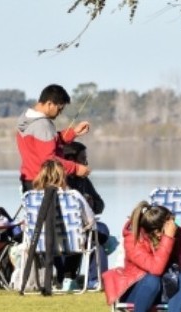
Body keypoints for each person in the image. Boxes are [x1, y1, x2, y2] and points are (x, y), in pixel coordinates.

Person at [32, 159, 96, 291]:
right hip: (71, 242)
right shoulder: (73, 195)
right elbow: (91, 222)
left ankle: (62, 276)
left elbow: (27, 225)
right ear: (62, 176)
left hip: (41, 243)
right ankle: (76, 278)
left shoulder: (31, 198)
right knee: (92, 237)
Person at [16, 84, 91, 193]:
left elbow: (44, 144)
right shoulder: (43, 124)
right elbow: (50, 161)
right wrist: (76, 169)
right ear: (49, 104)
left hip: (28, 180)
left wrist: (73, 132)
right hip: (43, 184)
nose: (59, 113)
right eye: (59, 109)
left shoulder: (25, 119)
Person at [62, 141, 110, 288]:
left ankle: (71, 278)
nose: (86, 163)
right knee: (99, 235)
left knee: (98, 235)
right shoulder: (59, 181)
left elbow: (100, 204)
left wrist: (91, 204)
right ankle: (94, 280)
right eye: (83, 159)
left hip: (80, 229)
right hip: (66, 229)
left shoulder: (83, 180)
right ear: (71, 161)